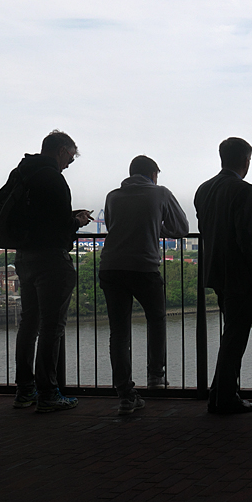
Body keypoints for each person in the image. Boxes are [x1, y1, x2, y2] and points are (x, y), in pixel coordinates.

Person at [2, 131, 92, 412]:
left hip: (24, 257)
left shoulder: (22, 173)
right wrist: (75, 220)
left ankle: (24, 391)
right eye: (71, 157)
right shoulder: (53, 178)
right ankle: (49, 393)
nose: (70, 163)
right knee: (52, 327)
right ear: (62, 150)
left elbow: (36, 218)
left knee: (28, 325)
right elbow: (58, 227)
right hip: (51, 260)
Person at [99, 155, 190, 415]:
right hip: (144, 267)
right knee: (157, 319)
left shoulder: (112, 196)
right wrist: (155, 227)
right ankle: (156, 376)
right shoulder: (160, 193)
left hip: (111, 266)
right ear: (153, 175)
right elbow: (181, 227)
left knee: (119, 332)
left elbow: (112, 225)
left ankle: (125, 393)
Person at [194, 137, 252, 414]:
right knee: (236, 334)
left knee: (231, 332)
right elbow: (246, 236)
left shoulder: (203, 189)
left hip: (214, 270)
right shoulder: (243, 189)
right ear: (245, 160)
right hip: (238, 273)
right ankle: (224, 396)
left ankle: (219, 393)